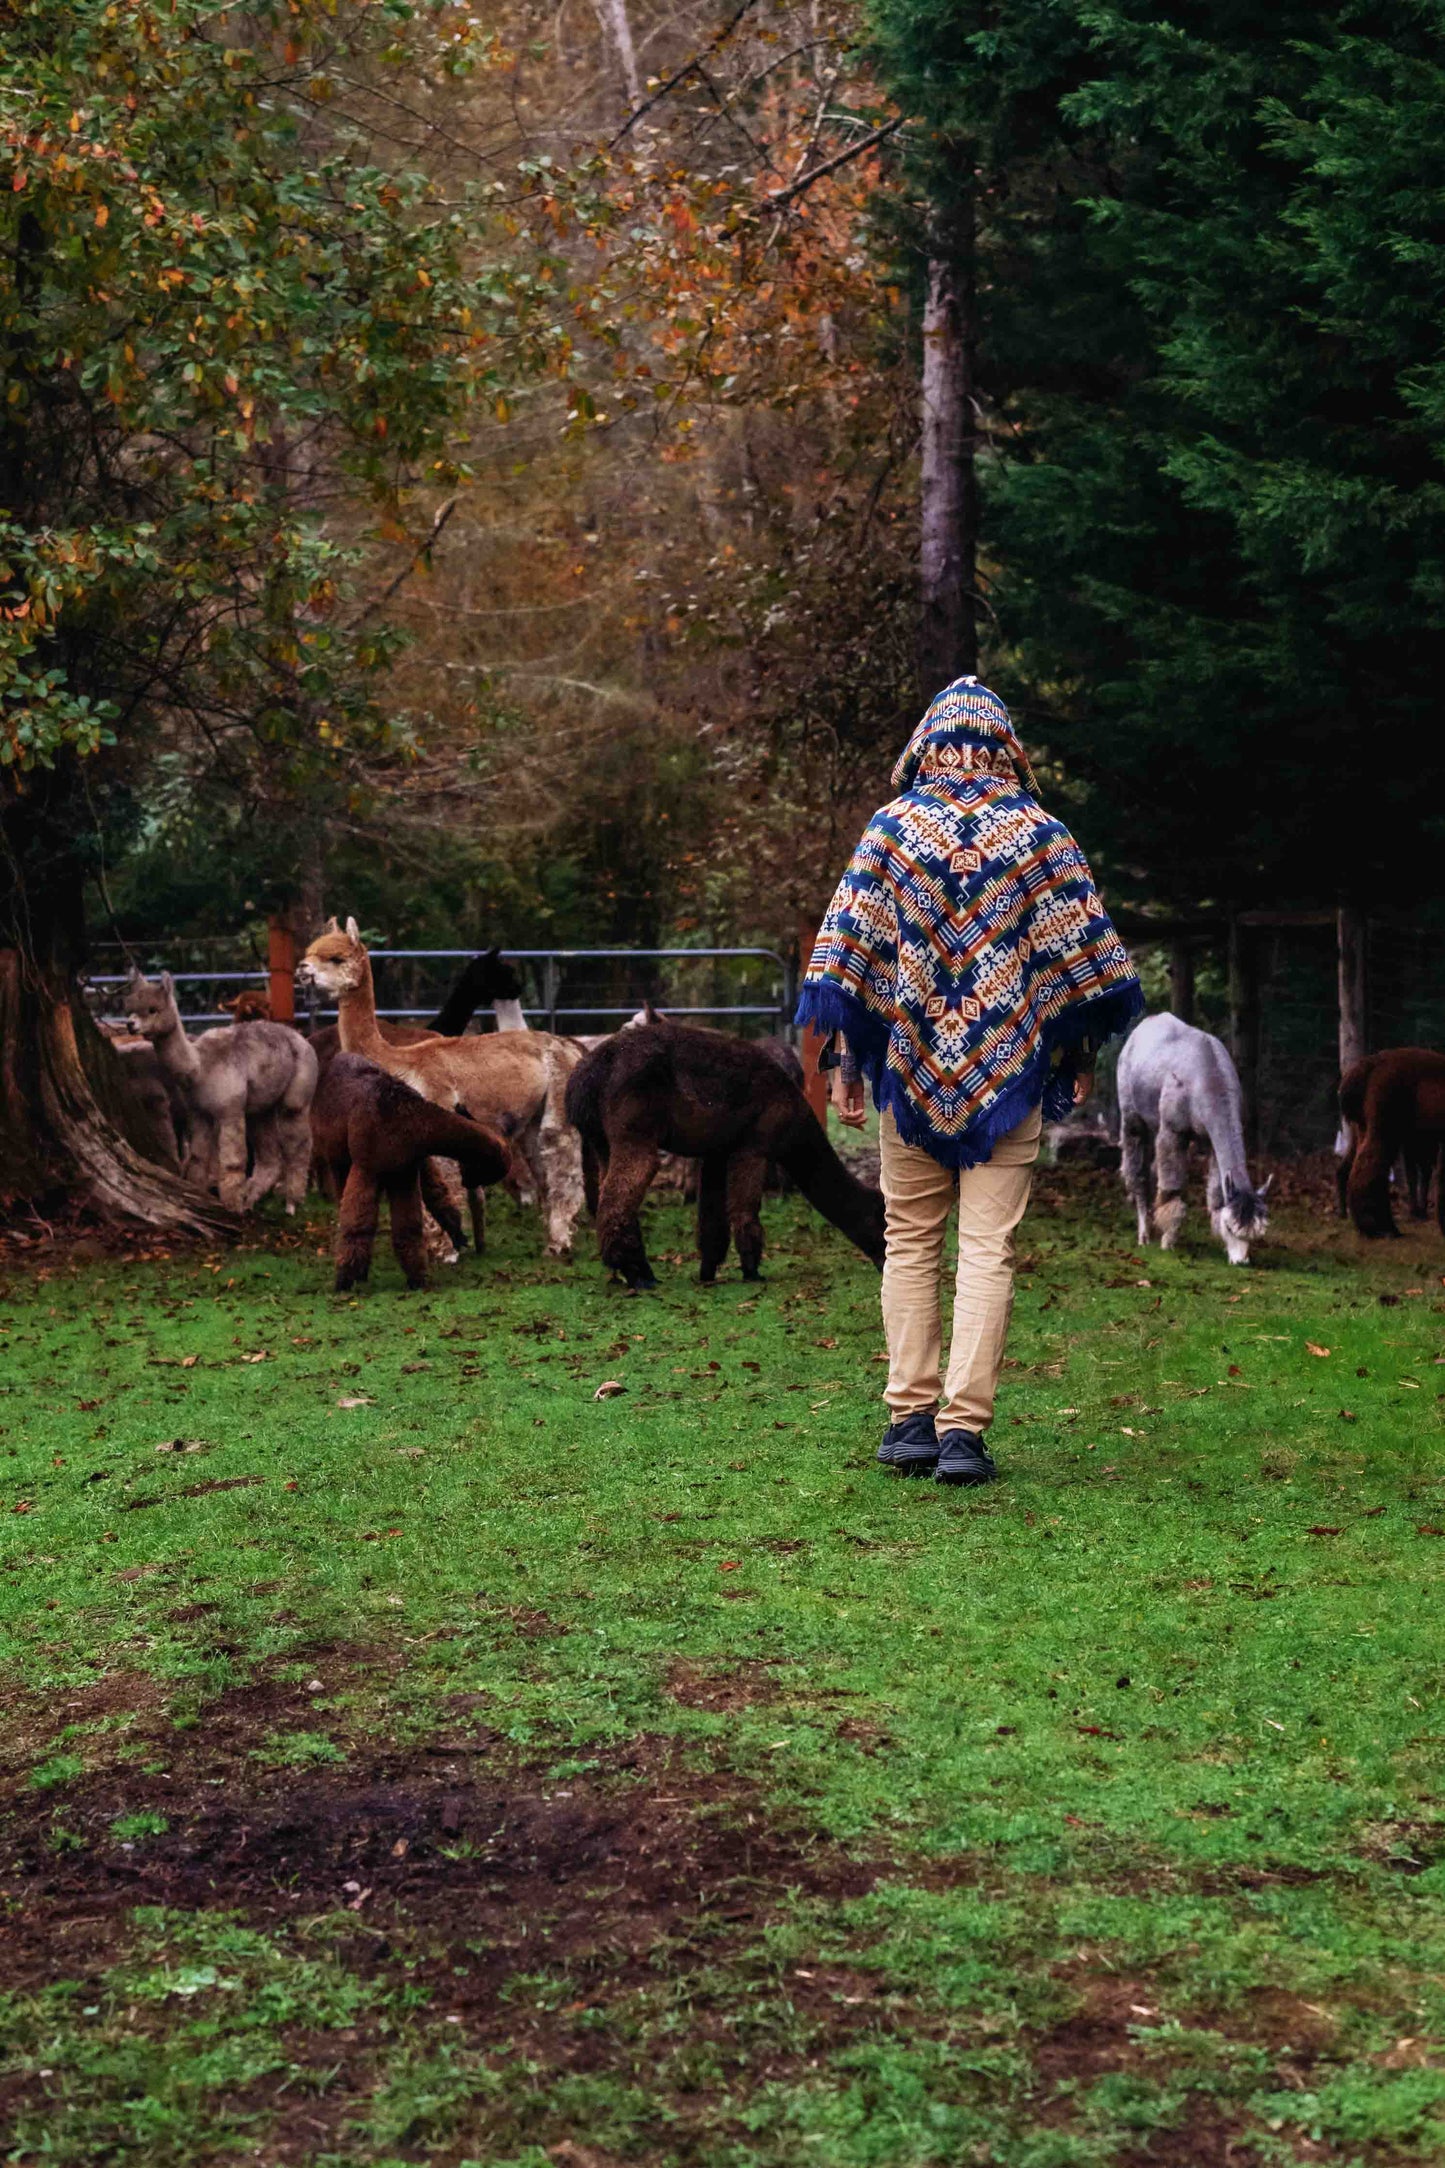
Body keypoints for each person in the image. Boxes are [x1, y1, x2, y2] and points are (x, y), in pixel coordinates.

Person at [796, 676, 1142, 1486]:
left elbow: (854, 961)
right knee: (989, 1248)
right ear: (1004, 747)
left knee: (909, 1240)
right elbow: (1080, 963)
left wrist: (851, 1065)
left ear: (927, 743)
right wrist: (1074, 1059)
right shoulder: (1039, 835)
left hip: (910, 1078)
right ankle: (961, 1433)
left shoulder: (890, 831)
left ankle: (909, 1419)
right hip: (1008, 1078)